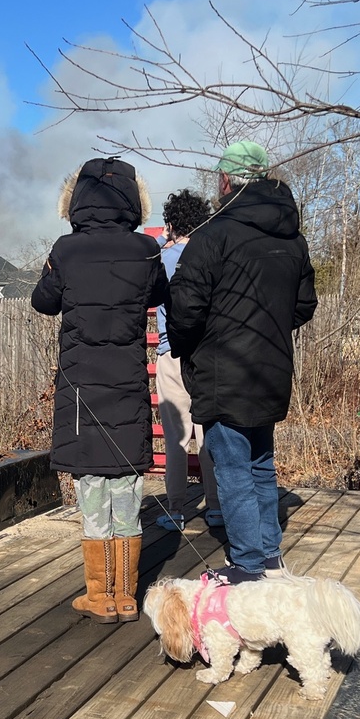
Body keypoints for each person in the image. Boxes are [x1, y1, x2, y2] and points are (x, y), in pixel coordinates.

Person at [166, 141, 317, 581]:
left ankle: (249, 564)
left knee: (232, 468)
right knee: (260, 464)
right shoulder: (293, 240)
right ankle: (270, 556)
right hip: (270, 370)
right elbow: (304, 304)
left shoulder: (213, 238)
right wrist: (267, 327)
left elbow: (184, 310)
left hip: (223, 372)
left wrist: (193, 345)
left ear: (227, 181)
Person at [32, 157, 168, 622]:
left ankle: (99, 595)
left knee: (91, 488)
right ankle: (127, 595)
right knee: (128, 487)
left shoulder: (66, 250)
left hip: (80, 390)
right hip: (127, 385)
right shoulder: (145, 249)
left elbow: (42, 301)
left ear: (77, 201)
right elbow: (158, 296)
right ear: (134, 200)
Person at [154, 188, 222, 532]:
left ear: (170, 223)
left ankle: (176, 510)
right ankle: (216, 508)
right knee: (208, 433)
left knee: (176, 439)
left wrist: (162, 240)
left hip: (170, 354)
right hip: (207, 356)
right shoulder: (211, 255)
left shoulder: (162, 258)